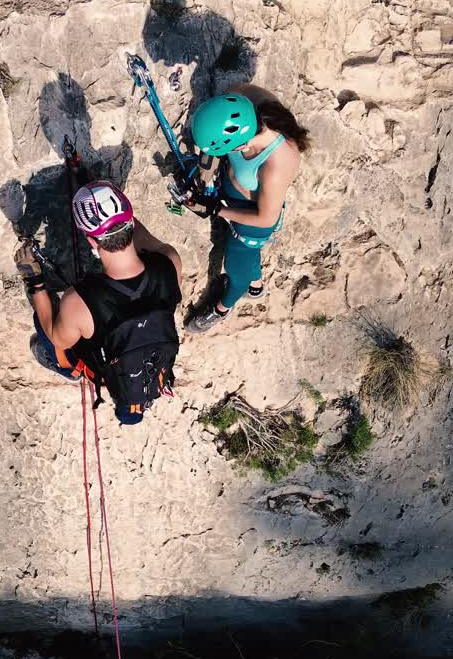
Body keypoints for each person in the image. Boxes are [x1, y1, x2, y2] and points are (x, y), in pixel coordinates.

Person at [15, 181, 183, 424]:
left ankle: (69, 369)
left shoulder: (78, 302)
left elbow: (55, 335)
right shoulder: (170, 261)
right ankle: (131, 410)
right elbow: (138, 234)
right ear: (131, 221)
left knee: (43, 322)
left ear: (92, 242)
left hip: (106, 364)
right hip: (149, 357)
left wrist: (36, 282)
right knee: (130, 395)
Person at [183, 86, 310, 333]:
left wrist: (217, 210)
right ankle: (257, 283)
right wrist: (211, 157)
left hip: (250, 225)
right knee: (249, 261)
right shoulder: (250, 105)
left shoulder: (276, 165)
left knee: (236, 272)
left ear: (239, 145)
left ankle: (222, 309)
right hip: (240, 204)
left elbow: (265, 218)